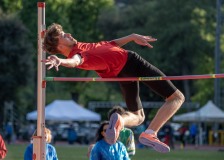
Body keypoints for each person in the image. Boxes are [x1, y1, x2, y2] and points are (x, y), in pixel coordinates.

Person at [43, 23, 185, 153]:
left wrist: (131, 37)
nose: (68, 34)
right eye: (63, 36)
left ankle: (121, 120)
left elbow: (110, 44)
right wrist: (60, 61)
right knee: (177, 98)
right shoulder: (78, 54)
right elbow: (74, 62)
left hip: (122, 74)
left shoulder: (81, 46)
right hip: (131, 62)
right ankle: (150, 133)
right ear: (59, 47)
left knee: (138, 116)